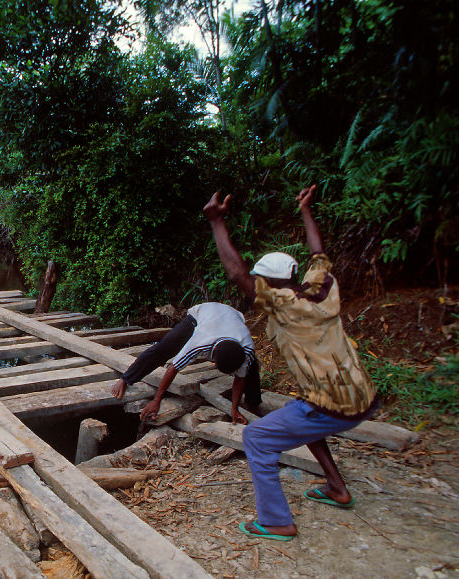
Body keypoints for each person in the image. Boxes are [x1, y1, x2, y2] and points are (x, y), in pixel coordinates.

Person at [203, 184, 380, 541]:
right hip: (364, 396)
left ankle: (276, 521)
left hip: (333, 404)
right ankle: (336, 488)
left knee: (256, 437)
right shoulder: (321, 287)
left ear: (267, 282)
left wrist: (216, 222)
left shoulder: (284, 305)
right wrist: (305, 210)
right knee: (300, 414)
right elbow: (319, 251)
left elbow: (238, 274)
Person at [111, 302, 261, 424]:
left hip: (231, 316)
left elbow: (240, 378)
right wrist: (157, 400)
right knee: (163, 349)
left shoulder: (247, 349)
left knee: (252, 367)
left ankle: (253, 404)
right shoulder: (200, 343)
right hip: (202, 314)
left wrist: (233, 409)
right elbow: (173, 368)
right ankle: (126, 378)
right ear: (213, 359)